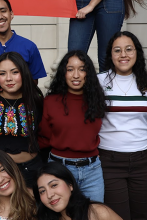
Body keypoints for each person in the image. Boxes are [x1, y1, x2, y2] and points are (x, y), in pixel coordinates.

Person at [97, 31, 147, 220]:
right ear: (110, 55)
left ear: (137, 53)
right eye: (117, 49)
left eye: (129, 49)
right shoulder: (100, 81)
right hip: (110, 162)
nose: (123, 54)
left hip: (144, 161)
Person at [39, 50, 106, 202]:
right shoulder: (50, 102)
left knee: (95, 219)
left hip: (92, 171)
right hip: (59, 169)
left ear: (88, 73)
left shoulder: (97, 100)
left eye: (82, 69)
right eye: (70, 69)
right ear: (64, 73)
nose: (76, 75)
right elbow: (45, 137)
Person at [0, 52, 44, 188]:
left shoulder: (35, 98)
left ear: (23, 73)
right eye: (2, 73)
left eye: (14, 72)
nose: (9, 78)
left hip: (30, 170)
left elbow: (43, 134)